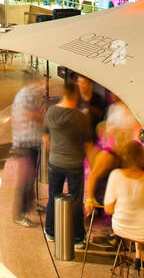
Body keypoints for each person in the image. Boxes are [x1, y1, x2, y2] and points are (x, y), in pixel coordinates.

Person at [43, 81, 96, 248]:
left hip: (55, 162)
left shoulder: (51, 112)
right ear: (74, 95)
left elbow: (46, 138)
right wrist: (94, 167)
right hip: (74, 164)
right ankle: (77, 238)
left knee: (53, 195)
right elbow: (88, 145)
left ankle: (50, 231)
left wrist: (53, 153)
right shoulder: (80, 117)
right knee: (75, 199)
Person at [103, 142, 144, 257]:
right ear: (143, 157)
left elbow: (109, 210)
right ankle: (140, 255)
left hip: (120, 227)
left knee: (138, 216)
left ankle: (139, 255)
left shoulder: (116, 175)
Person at [10, 75, 47, 227]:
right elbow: (28, 114)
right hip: (24, 144)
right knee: (25, 179)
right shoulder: (26, 95)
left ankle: (30, 204)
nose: (42, 85)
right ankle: (20, 213)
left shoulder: (31, 93)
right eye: (39, 82)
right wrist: (41, 115)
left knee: (30, 178)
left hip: (31, 141)